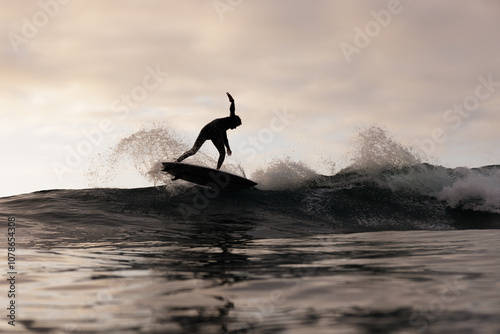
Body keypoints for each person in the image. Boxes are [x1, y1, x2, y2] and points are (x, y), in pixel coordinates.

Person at [176, 92, 242, 169]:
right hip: (213, 130)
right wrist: (232, 101)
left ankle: (177, 161)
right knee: (222, 153)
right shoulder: (231, 119)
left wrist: (228, 147)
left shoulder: (224, 128)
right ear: (235, 121)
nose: (235, 128)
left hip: (206, 130)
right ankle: (217, 169)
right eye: (236, 125)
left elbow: (225, 138)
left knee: (193, 150)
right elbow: (232, 110)